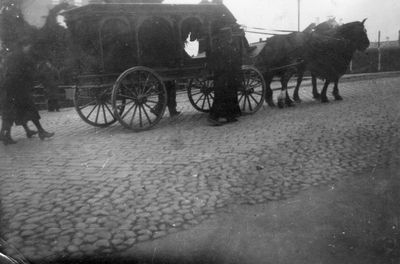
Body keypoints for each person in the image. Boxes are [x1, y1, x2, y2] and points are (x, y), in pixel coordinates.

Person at [0, 42, 54, 145]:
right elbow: (25, 72)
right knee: (28, 109)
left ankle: (19, 132)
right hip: (17, 88)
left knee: (17, 111)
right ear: (24, 46)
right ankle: (40, 131)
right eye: (28, 46)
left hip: (11, 88)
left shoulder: (10, 56)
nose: (29, 48)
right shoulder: (20, 56)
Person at [207, 25, 242, 126]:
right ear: (226, 36)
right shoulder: (224, 47)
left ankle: (229, 116)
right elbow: (225, 62)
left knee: (229, 95)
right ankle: (213, 117)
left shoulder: (222, 45)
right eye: (229, 34)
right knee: (221, 96)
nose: (230, 36)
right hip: (224, 75)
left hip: (227, 75)